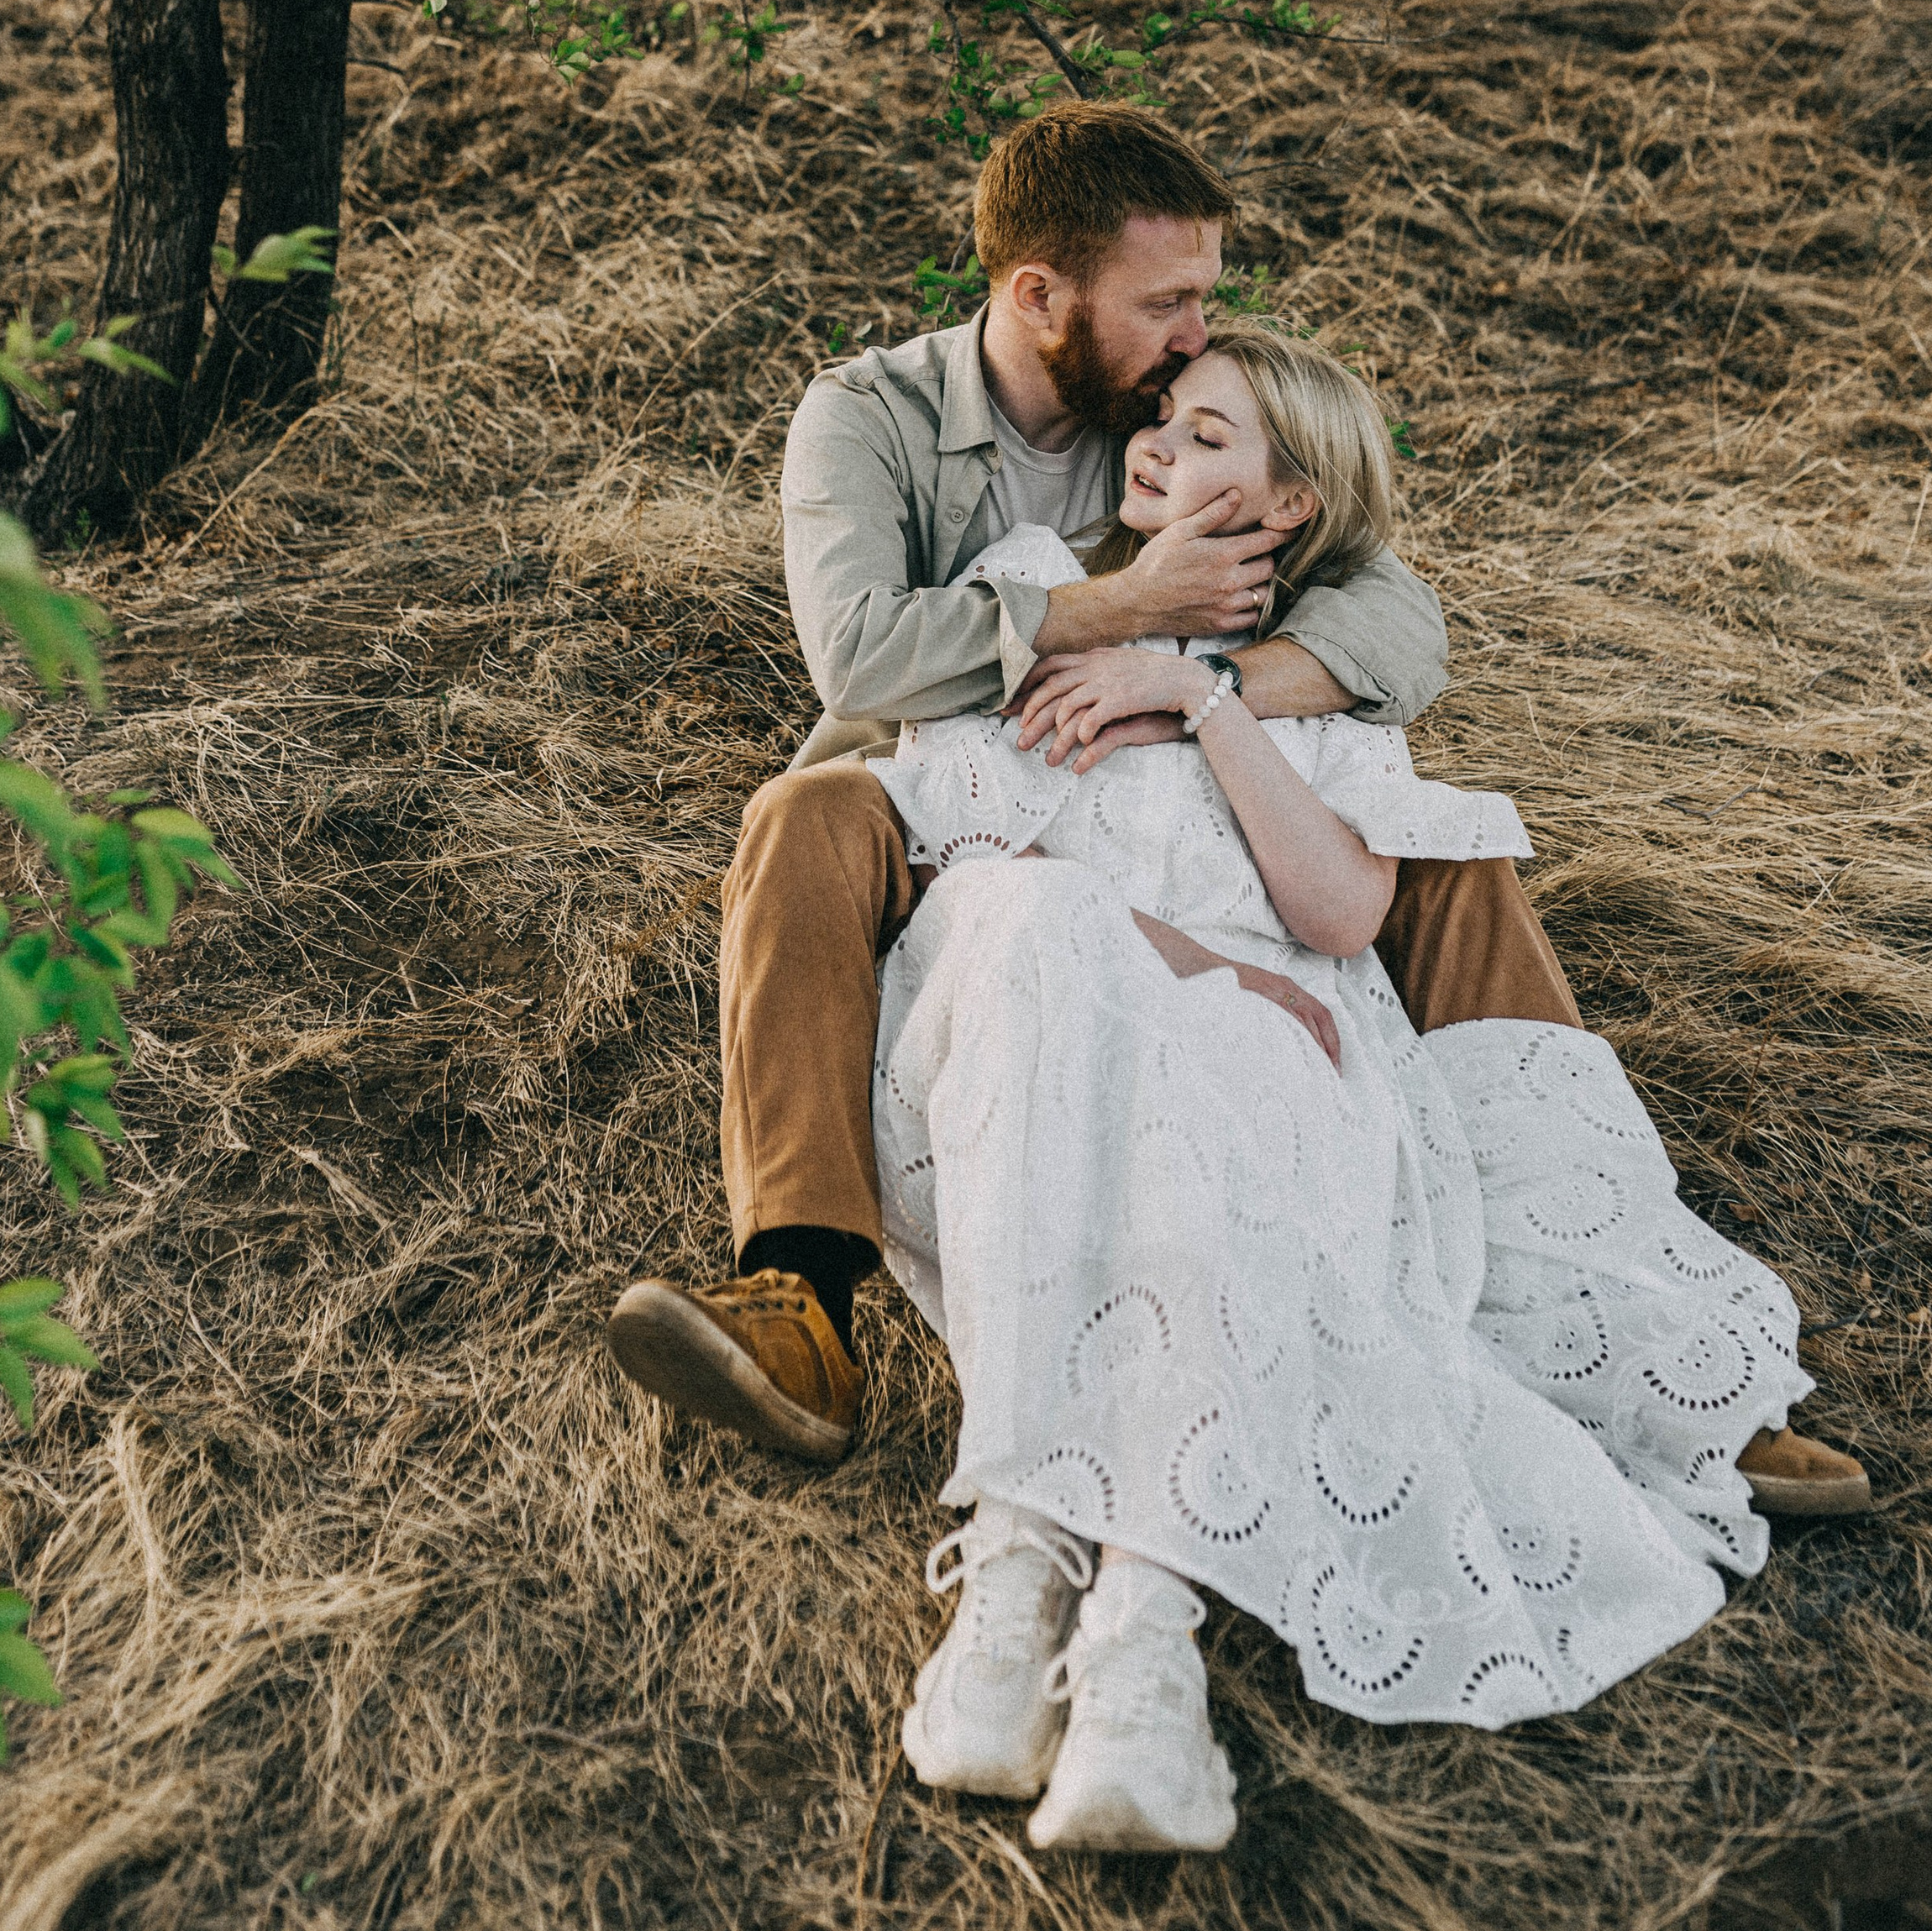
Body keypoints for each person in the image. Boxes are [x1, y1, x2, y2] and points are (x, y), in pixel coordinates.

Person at [606, 102, 1866, 1532]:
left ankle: (1639, 1345)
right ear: (1039, 296)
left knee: (1451, 857)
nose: (1198, 334)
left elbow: (1397, 617)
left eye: (1206, 297)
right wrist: (1125, 606)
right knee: (797, 817)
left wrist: (1188, 681)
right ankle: (798, 1304)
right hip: (941, 794)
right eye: (1169, 302)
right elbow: (861, 655)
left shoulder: (1175, 403)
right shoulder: (869, 419)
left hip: (1160, 780)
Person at [867, 324, 1814, 1850]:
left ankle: (1134, 1656)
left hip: (1263, 1052)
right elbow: (977, 850)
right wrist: (1181, 946)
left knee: (1246, 1060)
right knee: (1066, 946)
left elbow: (1339, 919)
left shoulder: (1322, 686)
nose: (1160, 443)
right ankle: (1017, 1580)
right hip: (1033, 1033)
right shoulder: (1044, 580)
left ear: (1288, 503)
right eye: (1163, 419)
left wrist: (1202, 698)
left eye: (1212, 434)